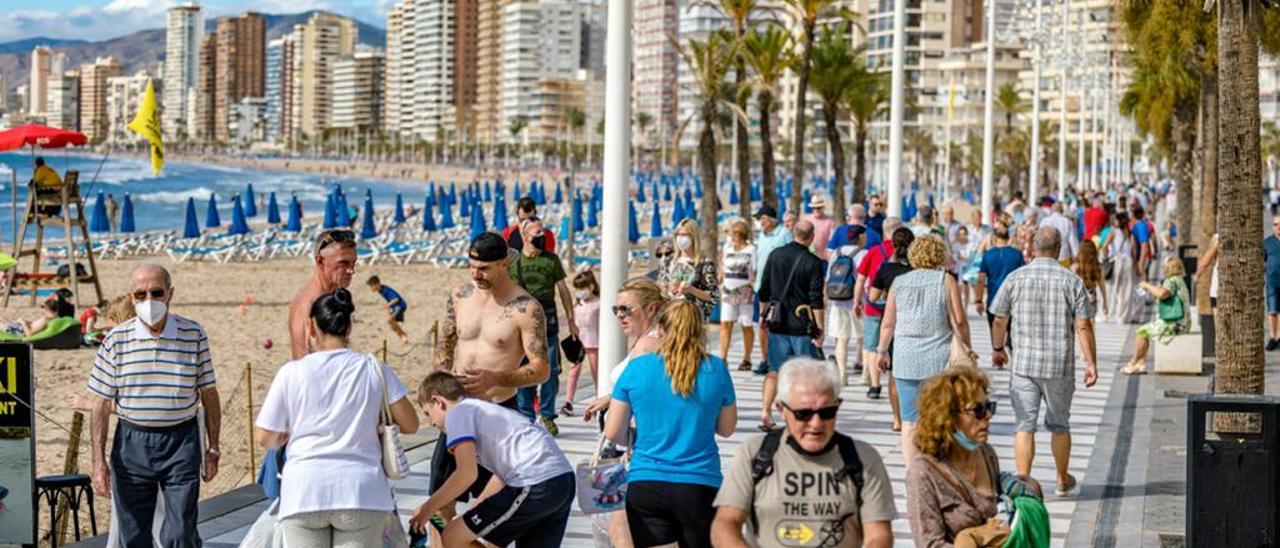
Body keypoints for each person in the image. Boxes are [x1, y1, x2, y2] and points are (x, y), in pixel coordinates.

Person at [254, 288, 419, 547]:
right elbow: (411, 423)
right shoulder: (373, 369)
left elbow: (264, 435)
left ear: (310, 327)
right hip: (362, 490)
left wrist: (289, 431)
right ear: (350, 327)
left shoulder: (292, 372)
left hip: (304, 489)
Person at [87, 264, 221, 547]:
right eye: (140, 294)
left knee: (180, 533)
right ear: (131, 298)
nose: (149, 301)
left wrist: (213, 447)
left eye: (156, 292)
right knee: (133, 533)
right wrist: (98, 461)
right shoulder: (115, 340)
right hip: (131, 443)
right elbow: (100, 402)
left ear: (170, 294)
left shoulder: (193, 333)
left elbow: (209, 393)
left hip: (181, 442)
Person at [711, 358, 896, 548]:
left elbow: (878, 535)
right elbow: (725, 524)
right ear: (781, 410)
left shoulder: (863, 459)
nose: (816, 423)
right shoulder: (754, 454)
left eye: (826, 412)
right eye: (804, 414)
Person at [433, 232, 550, 518]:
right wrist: (441, 373)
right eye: (471, 267)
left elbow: (542, 369)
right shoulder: (461, 295)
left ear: (503, 265)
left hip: (496, 412)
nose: (476, 274)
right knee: (438, 499)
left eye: (483, 269)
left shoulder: (525, 308)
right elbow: (446, 340)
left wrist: (496, 378)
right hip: (457, 409)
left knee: (491, 506)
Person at [605, 300, 738, 548]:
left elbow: (613, 432)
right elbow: (727, 429)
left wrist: (640, 433)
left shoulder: (637, 368)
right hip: (700, 483)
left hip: (645, 481)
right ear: (699, 331)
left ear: (661, 331)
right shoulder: (716, 368)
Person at [990, 227, 1098, 497]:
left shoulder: (1016, 278)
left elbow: (1000, 318)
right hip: (1059, 365)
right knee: (1060, 425)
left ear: (1033, 247)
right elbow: (1083, 325)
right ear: (1059, 248)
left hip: (1024, 365)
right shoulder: (1071, 280)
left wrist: (998, 348)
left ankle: (1024, 483)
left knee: (1024, 425)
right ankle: (1062, 478)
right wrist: (1091, 363)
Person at [412, 372, 575, 548]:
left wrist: (427, 508)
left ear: (438, 401)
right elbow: (501, 476)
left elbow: (466, 474)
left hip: (533, 480)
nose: (431, 423)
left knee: (453, 536)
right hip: (563, 480)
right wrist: (476, 509)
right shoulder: (483, 410)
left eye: (428, 413)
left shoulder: (457, 413)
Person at [907, 367, 1041, 547]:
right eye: (977, 410)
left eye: (989, 407)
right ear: (948, 417)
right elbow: (929, 544)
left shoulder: (986, 454)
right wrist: (974, 539)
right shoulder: (923, 473)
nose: (987, 416)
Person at [877, 235, 971, 467]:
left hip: (906, 357)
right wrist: (967, 347)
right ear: (938, 255)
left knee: (909, 420)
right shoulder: (946, 281)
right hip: (938, 359)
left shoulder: (899, 282)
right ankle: (938, 466)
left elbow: (888, 323)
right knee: (941, 416)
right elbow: (959, 321)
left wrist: (881, 351)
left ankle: (913, 470)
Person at [509, 217, 577, 435]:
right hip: (522, 322)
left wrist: (572, 320)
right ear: (524, 235)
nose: (540, 236)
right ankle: (526, 415)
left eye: (542, 232)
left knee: (552, 370)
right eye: (536, 232)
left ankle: (547, 415)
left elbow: (563, 290)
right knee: (524, 369)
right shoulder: (515, 262)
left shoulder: (551, 259)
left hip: (548, 319)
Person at [758, 220, 826, 431]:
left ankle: (765, 412)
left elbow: (764, 289)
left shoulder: (775, 255)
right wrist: (819, 329)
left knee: (774, 371)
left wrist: (764, 314)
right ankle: (799, 414)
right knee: (803, 373)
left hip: (777, 323)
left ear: (794, 233)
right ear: (812, 236)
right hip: (802, 326)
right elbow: (816, 300)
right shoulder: (813, 262)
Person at [854, 217, 904, 403]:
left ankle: (875, 385)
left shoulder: (874, 251)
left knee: (874, 345)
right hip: (899, 309)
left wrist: (857, 300)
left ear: (884, 231)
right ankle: (896, 380)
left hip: (874, 307)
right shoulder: (907, 253)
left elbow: (860, 279)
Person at [289, 229, 358, 359]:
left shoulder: (330, 295)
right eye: (343, 263)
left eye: (353, 263)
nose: (351, 271)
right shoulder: (310, 303)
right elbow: (307, 362)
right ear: (320, 261)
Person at [866, 228, 915, 409]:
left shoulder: (886, 269)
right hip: (914, 322)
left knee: (895, 373)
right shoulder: (916, 270)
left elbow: (872, 297)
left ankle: (897, 418)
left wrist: (887, 293)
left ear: (892, 245)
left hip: (893, 323)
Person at [1123, 256, 1192, 374]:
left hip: (1173, 324)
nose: (1163, 270)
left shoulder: (1171, 281)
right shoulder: (1180, 280)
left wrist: (1147, 286)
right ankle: (1141, 364)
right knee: (1146, 330)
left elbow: (1163, 294)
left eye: (1164, 268)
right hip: (1183, 322)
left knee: (1141, 332)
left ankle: (1133, 362)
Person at [753, 205, 792, 374]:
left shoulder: (784, 235)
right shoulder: (761, 235)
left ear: (770, 219)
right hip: (761, 287)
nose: (759, 222)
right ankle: (764, 359)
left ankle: (780, 359)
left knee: (777, 325)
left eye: (761, 219)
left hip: (779, 288)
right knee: (762, 324)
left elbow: (791, 259)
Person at [827, 224, 867, 385]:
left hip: (838, 301)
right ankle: (866, 375)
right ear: (860, 237)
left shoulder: (836, 253)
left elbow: (828, 278)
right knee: (864, 338)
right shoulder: (863, 254)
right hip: (858, 302)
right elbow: (866, 281)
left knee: (842, 339)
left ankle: (843, 375)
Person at [720, 218, 757, 371]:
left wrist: (753, 285)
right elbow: (722, 267)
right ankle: (723, 358)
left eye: (733, 233)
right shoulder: (727, 248)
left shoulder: (751, 250)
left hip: (744, 290)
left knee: (746, 325)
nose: (731, 236)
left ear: (741, 234)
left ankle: (747, 358)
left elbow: (754, 270)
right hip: (728, 289)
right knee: (725, 323)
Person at [562, 270, 601, 415]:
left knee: (596, 371)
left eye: (582, 288)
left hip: (594, 341)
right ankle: (568, 401)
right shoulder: (577, 303)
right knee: (574, 370)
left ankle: (599, 399)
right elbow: (570, 318)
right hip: (578, 341)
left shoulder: (599, 303)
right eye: (577, 289)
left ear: (591, 287)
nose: (579, 292)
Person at [665, 218, 719, 320]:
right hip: (671, 315)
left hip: (693, 317)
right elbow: (661, 287)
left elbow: (713, 295)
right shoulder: (669, 261)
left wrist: (692, 290)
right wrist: (669, 286)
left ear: (694, 237)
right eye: (678, 234)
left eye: (685, 235)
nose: (680, 238)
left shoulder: (705, 263)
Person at [1101, 212, 1136, 323]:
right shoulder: (1131, 234)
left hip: (1117, 261)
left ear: (1119, 221)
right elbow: (1134, 252)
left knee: (1113, 289)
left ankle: (1109, 314)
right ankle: (1123, 317)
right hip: (1128, 262)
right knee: (1126, 290)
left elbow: (1105, 246)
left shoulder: (1114, 232)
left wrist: (1105, 257)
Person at [366, 275, 409, 344]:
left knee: (390, 320)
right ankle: (403, 336)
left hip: (400, 305)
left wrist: (386, 305)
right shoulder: (380, 290)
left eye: (372, 286)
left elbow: (396, 299)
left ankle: (403, 335)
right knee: (391, 323)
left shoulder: (385, 290)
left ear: (377, 284)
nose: (371, 288)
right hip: (395, 306)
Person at [1074, 240, 1109, 319]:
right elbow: (1102, 286)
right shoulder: (1097, 267)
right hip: (1092, 297)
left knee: (1080, 325)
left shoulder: (1076, 267)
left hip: (1078, 298)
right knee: (1091, 324)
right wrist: (1105, 302)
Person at [805, 195, 836, 260]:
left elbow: (832, 240)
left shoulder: (829, 222)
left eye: (818, 208)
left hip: (823, 258)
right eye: (814, 208)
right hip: (808, 256)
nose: (816, 210)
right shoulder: (806, 220)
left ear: (822, 208)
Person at [1265, 217, 1280, 350]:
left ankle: (1279, 337)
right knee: (1272, 310)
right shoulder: (1268, 242)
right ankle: (1272, 337)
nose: (1278, 227)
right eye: (1275, 224)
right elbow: (1261, 260)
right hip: (1272, 282)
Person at [1130, 206, 1156, 280]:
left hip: (1141, 258)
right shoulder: (1139, 225)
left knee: (1141, 284)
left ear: (1133, 215)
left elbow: (1144, 246)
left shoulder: (1141, 226)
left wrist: (1141, 264)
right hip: (1139, 258)